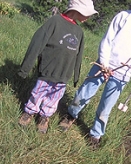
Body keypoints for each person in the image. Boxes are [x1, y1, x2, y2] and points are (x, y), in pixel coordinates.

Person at [59, 0, 131, 146]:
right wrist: (104, 64)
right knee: (84, 93)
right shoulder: (124, 16)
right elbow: (107, 40)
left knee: (106, 107)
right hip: (104, 65)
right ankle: (71, 115)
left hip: (122, 74)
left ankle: (95, 135)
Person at [18, 0, 98, 134]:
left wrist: (75, 76)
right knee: (38, 93)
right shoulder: (54, 22)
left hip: (63, 74)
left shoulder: (79, 32)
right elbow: (37, 43)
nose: (89, 17)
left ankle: (45, 116)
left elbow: (78, 56)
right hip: (48, 70)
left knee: (54, 97)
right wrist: (25, 68)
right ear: (78, 10)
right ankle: (29, 112)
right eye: (88, 13)